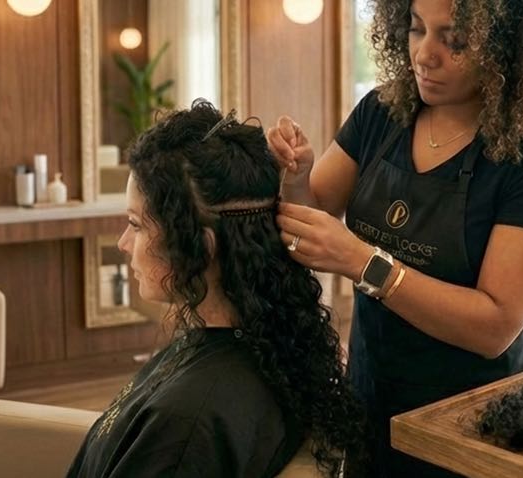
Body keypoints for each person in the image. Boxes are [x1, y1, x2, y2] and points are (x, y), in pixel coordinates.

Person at [266, 0, 523, 476]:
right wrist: (296, 179)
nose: (424, 53)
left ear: (509, 50)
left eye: (455, 40)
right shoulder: (382, 113)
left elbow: (494, 327)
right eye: (417, 29)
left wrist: (365, 263)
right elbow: (308, 230)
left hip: (473, 419)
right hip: (372, 393)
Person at [67, 99, 366, 478]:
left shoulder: (188, 424)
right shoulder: (276, 349)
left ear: (201, 247)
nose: (124, 242)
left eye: (136, 224)